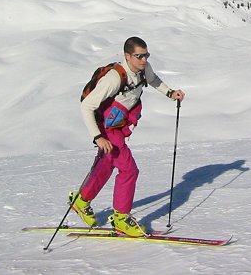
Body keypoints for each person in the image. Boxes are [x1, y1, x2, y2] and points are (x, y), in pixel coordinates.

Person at [69, 36, 185, 236]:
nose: (144, 60)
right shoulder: (114, 78)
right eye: (139, 56)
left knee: (106, 164)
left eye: (146, 55)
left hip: (119, 124)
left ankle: (81, 200)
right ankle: (121, 218)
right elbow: (87, 106)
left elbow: (154, 79)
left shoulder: (143, 69)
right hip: (107, 128)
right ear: (127, 56)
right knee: (129, 170)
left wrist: (170, 93)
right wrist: (98, 137)